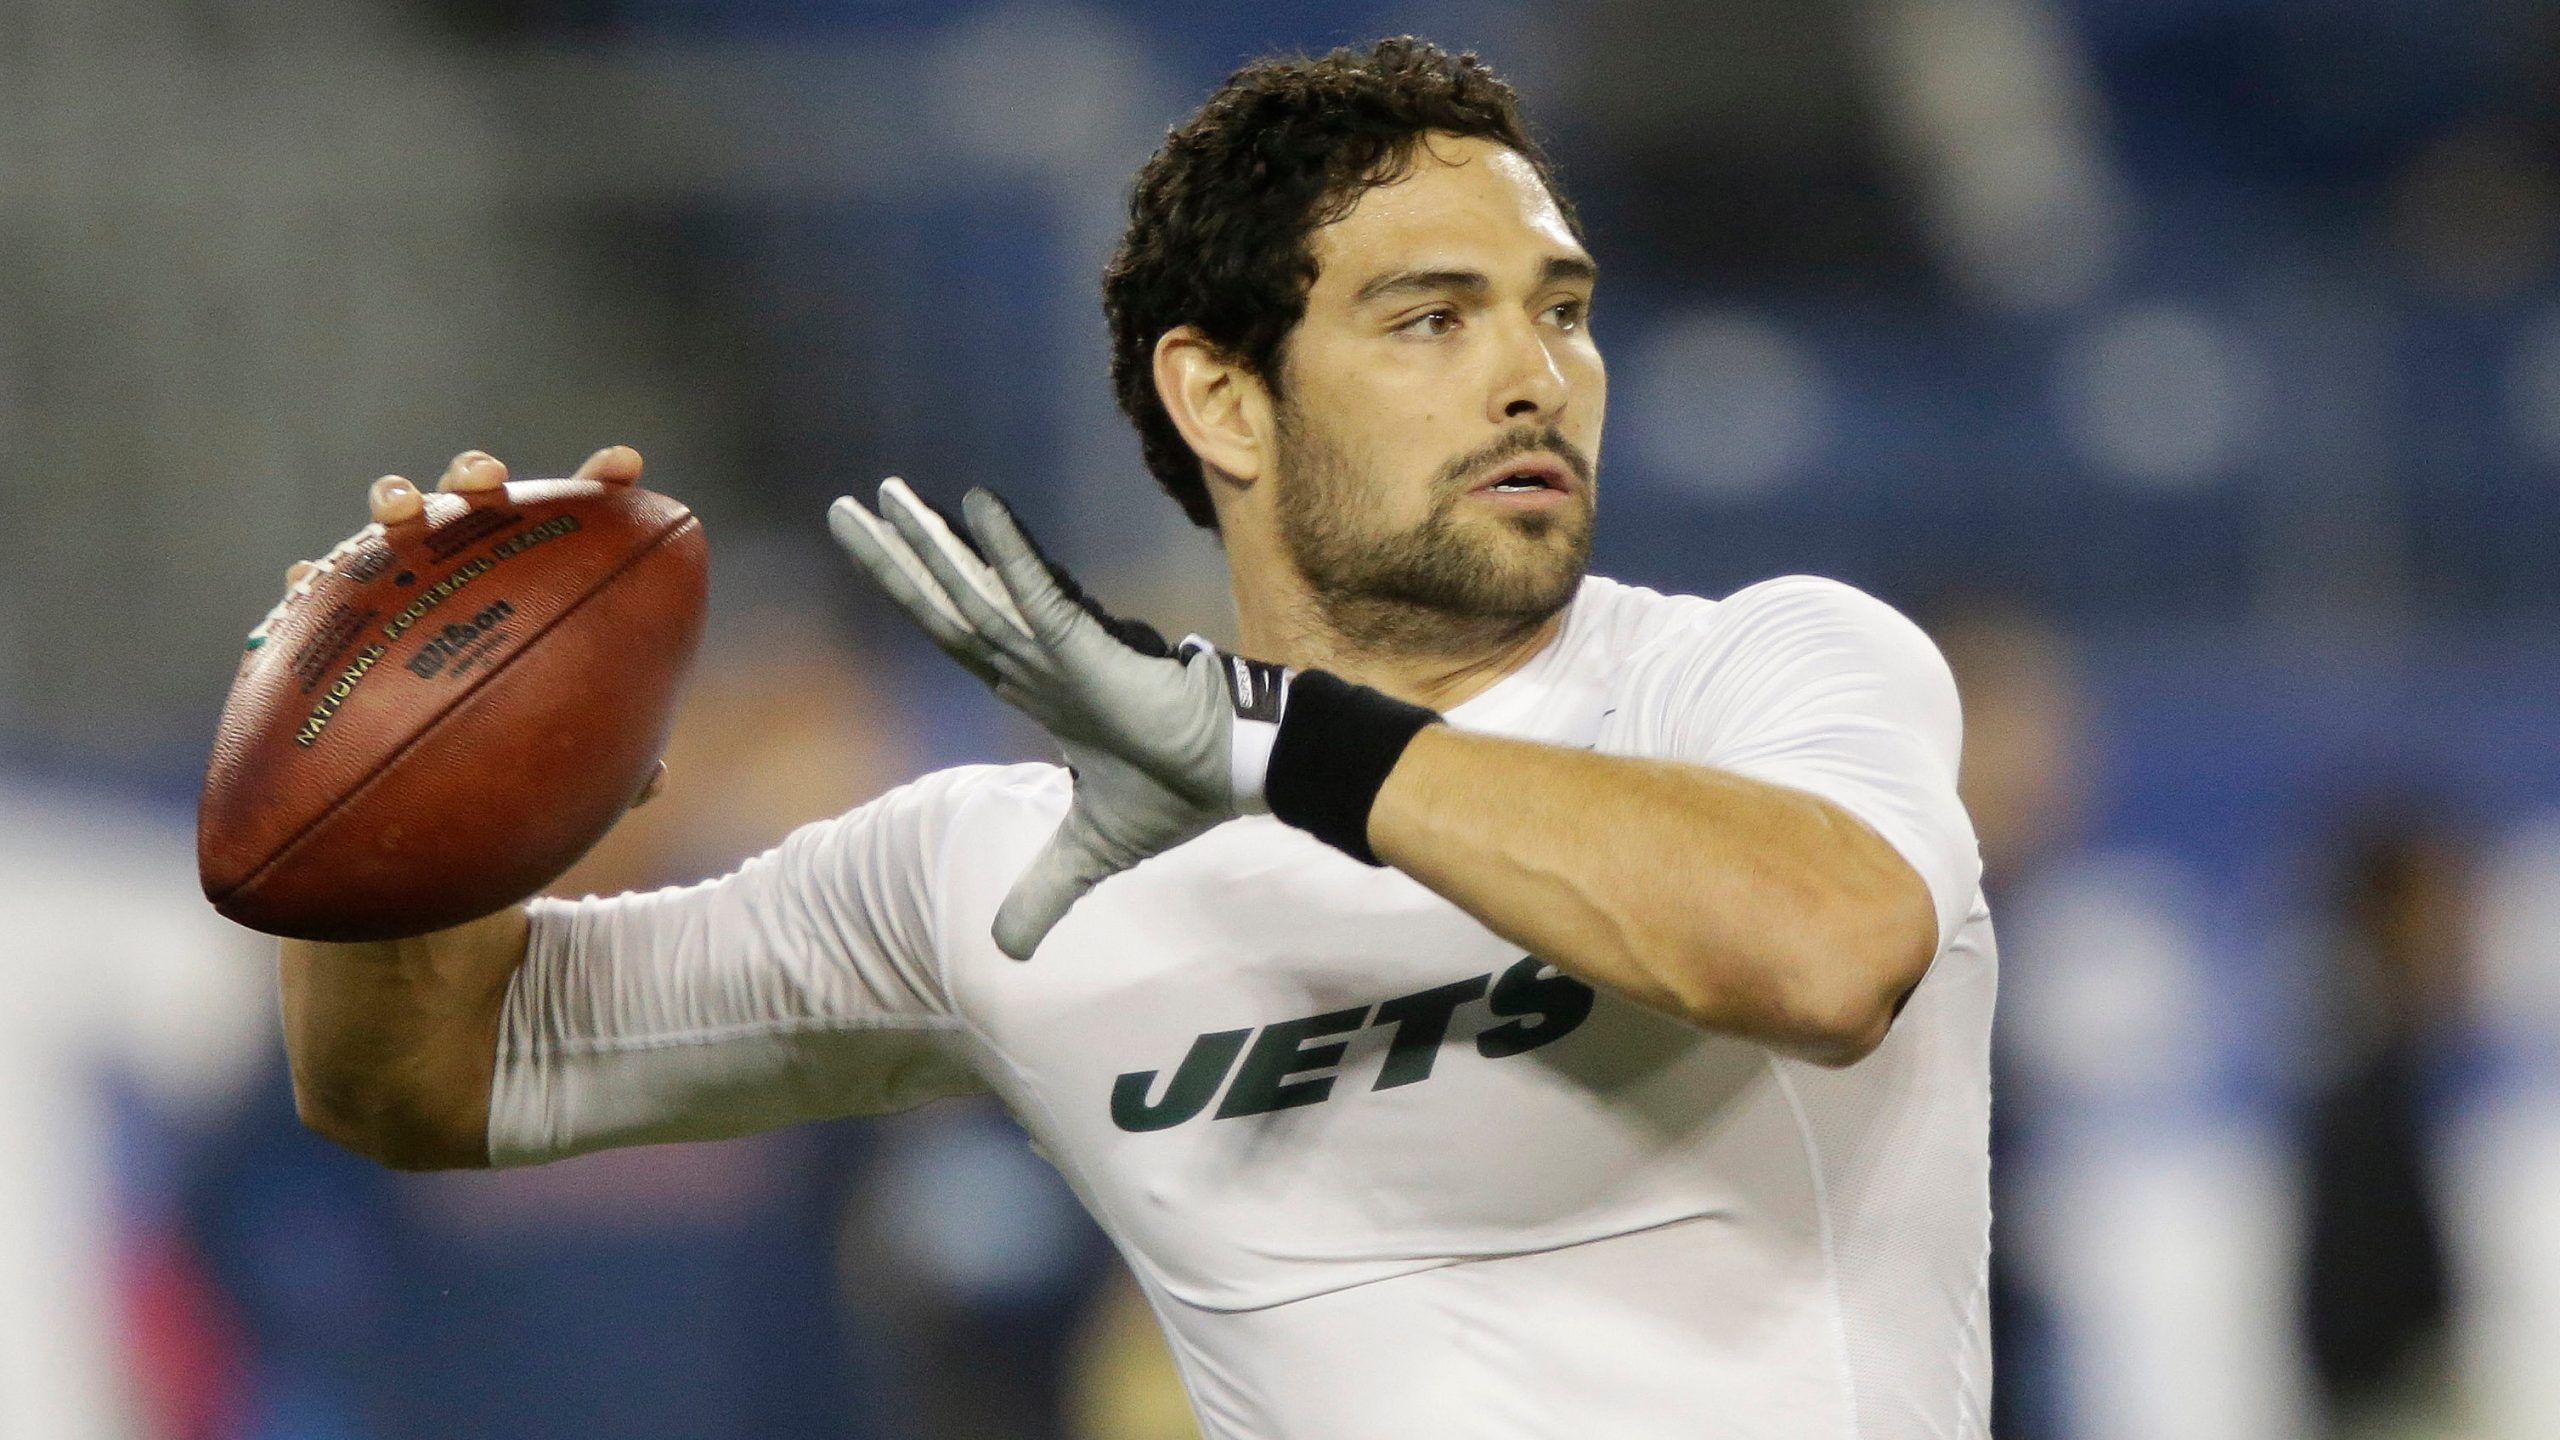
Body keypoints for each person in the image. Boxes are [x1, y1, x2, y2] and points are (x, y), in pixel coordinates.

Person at [274, 39, 1992, 1438]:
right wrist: (389, 759)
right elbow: (420, 1075)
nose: (1535, 373)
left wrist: (1271, 744)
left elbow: (1825, 950)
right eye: (1432, 318)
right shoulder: (986, 879)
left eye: (1561, 307)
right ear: (1221, 396)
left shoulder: (1762, 672)